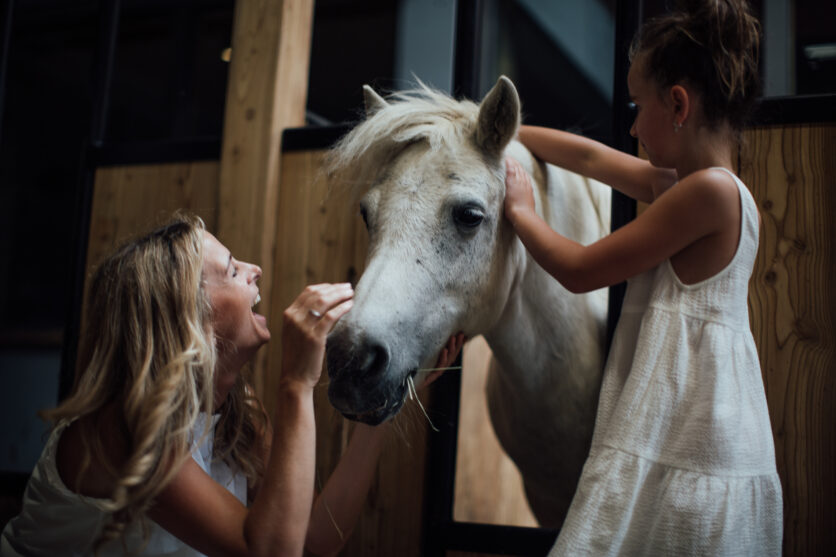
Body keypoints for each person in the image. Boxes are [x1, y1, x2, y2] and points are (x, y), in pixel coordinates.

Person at [1, 213, 464, 557]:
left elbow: (316, 538)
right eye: (232, 270)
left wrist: (385, 405)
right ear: (188, 317)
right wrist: (296, 382)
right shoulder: (121, 430)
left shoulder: (235, 411)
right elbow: (271, 552)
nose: (255, 269)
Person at [503, 0, 782, 555]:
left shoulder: (710, 194)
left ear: (678, 104)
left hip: (696, 444)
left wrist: (522, 211)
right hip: (692, 434)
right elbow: (590, 159)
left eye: (637, 106)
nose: (631, 126)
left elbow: (580, 270)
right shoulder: (693, 187)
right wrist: (504, 135)